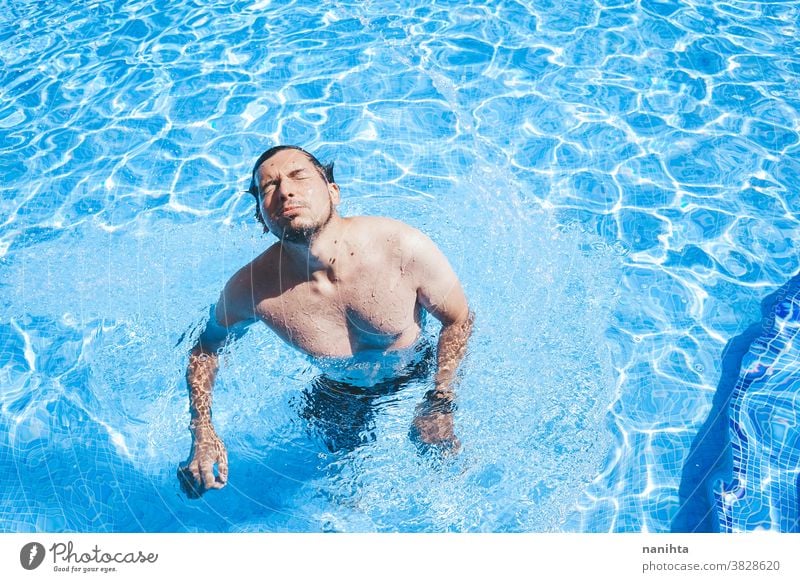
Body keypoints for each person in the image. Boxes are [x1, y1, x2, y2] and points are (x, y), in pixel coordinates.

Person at [180, 145, 473, 495]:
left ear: (333, 191)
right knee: (343, 492)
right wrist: (202, 430)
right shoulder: (253, 290)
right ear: (261, 216)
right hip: (338, 392)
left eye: (298, 177)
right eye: (269, 188)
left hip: (420, 370)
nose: (285, 191)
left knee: (450, 470)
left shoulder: (400, 248)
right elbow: (205, 348)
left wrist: (441, 398)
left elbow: (458, 319)